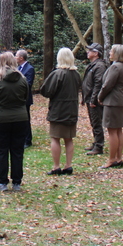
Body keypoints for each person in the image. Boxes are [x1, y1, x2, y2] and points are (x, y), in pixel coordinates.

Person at [0, 52, 29, 192]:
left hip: (0, 119)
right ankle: (17, 181)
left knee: (1, 150)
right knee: (17, 151)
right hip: (20, 118)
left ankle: (2, 182)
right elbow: (25, 97)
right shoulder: (22, 79)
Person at [39, 47, 82, 176]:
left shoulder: (58, 73)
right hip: (72, 109)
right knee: (69, 139)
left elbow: (46, 91)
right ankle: (68, 165)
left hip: (58, 110)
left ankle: (56, 166)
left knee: (55, 138)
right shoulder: (76, 74)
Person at [97, 44, 123, 169]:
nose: (109, 52)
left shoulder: (115, 67)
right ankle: (118, 158)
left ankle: (112, 159)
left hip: (112, 101)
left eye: (111, 51)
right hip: (120, 101)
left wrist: (100, 97)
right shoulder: (122, 66)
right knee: (118, 130)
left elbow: (107, 85)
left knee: (112, 131)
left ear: (117, 53)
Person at [82, 43, 108, 156]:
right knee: (93, 122)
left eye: (90, 50)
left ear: (96, 53)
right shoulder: (93, 65)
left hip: (94, 101)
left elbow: (98, 84)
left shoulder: (99, 66)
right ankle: (96, 142)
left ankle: (99, 146)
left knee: (97, 122)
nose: (87, 52)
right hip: (89, 98)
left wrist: (94, 100)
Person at [15, 49, 36, 148]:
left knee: (26, 119)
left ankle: (28, 140)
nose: (15, 58)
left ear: (21, 58)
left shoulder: (29, 69)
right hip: (17, 97)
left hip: (25, 98)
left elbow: (28, 84)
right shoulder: (18, 68)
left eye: (16, 56)